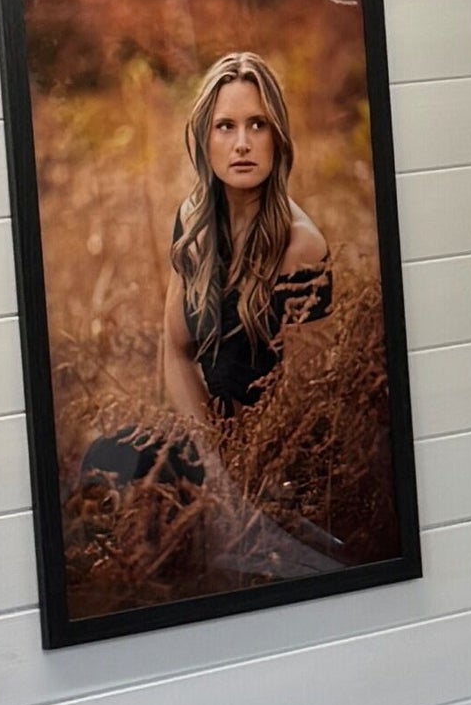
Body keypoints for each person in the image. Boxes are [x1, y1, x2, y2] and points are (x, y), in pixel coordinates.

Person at [79, 51, 335, 498]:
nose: (242, 143)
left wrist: (242, 476)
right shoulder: (194, 225)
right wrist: (213, 464)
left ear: (278, 138)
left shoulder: (301, 247)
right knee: (106, 458)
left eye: (257, 124)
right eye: (226, 126)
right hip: (213, 449)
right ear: (205, 139)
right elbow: (176, 350)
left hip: (279, 468)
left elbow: (307, 403)